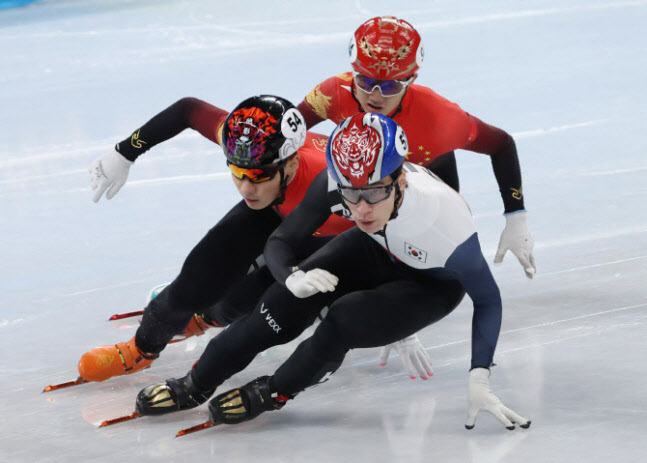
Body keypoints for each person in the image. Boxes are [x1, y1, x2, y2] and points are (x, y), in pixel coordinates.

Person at [134, 113, 530, 431]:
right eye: (350, 195)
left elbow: (488, 300)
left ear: (401, 179)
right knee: (280, 304)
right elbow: (280, 241)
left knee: (343, 322)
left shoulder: (445, 225)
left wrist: (480, 375)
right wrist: (291, 276)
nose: (361, 209)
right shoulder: (339, 183)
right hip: (374, 248)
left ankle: (275, 391)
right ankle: (195, 383)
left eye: (375, 193)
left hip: (428, 283)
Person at [79, 96, 431, 384]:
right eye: (237, 172)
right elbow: (187, 109)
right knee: (195, 279)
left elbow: (391, 239)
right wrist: (126, 151)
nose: (246, 187)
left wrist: (398, 318)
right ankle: (141, 349)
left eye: (258, 175)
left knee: (259, 297)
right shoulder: (248, 144)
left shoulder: (337, 188)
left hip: (324, 229)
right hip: (276, 205)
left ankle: (206, 319)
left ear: (291, 163)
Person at [295, 16, 535, 278]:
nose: (375, 96)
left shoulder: (439, 116)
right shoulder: (333, 93)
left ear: (412, 79)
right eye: (364, 82)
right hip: (375, 193)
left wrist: (516, 219)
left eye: (390, 86)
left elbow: (501, 144)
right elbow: (283, 135)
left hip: (425, 203)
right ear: (353, 73)